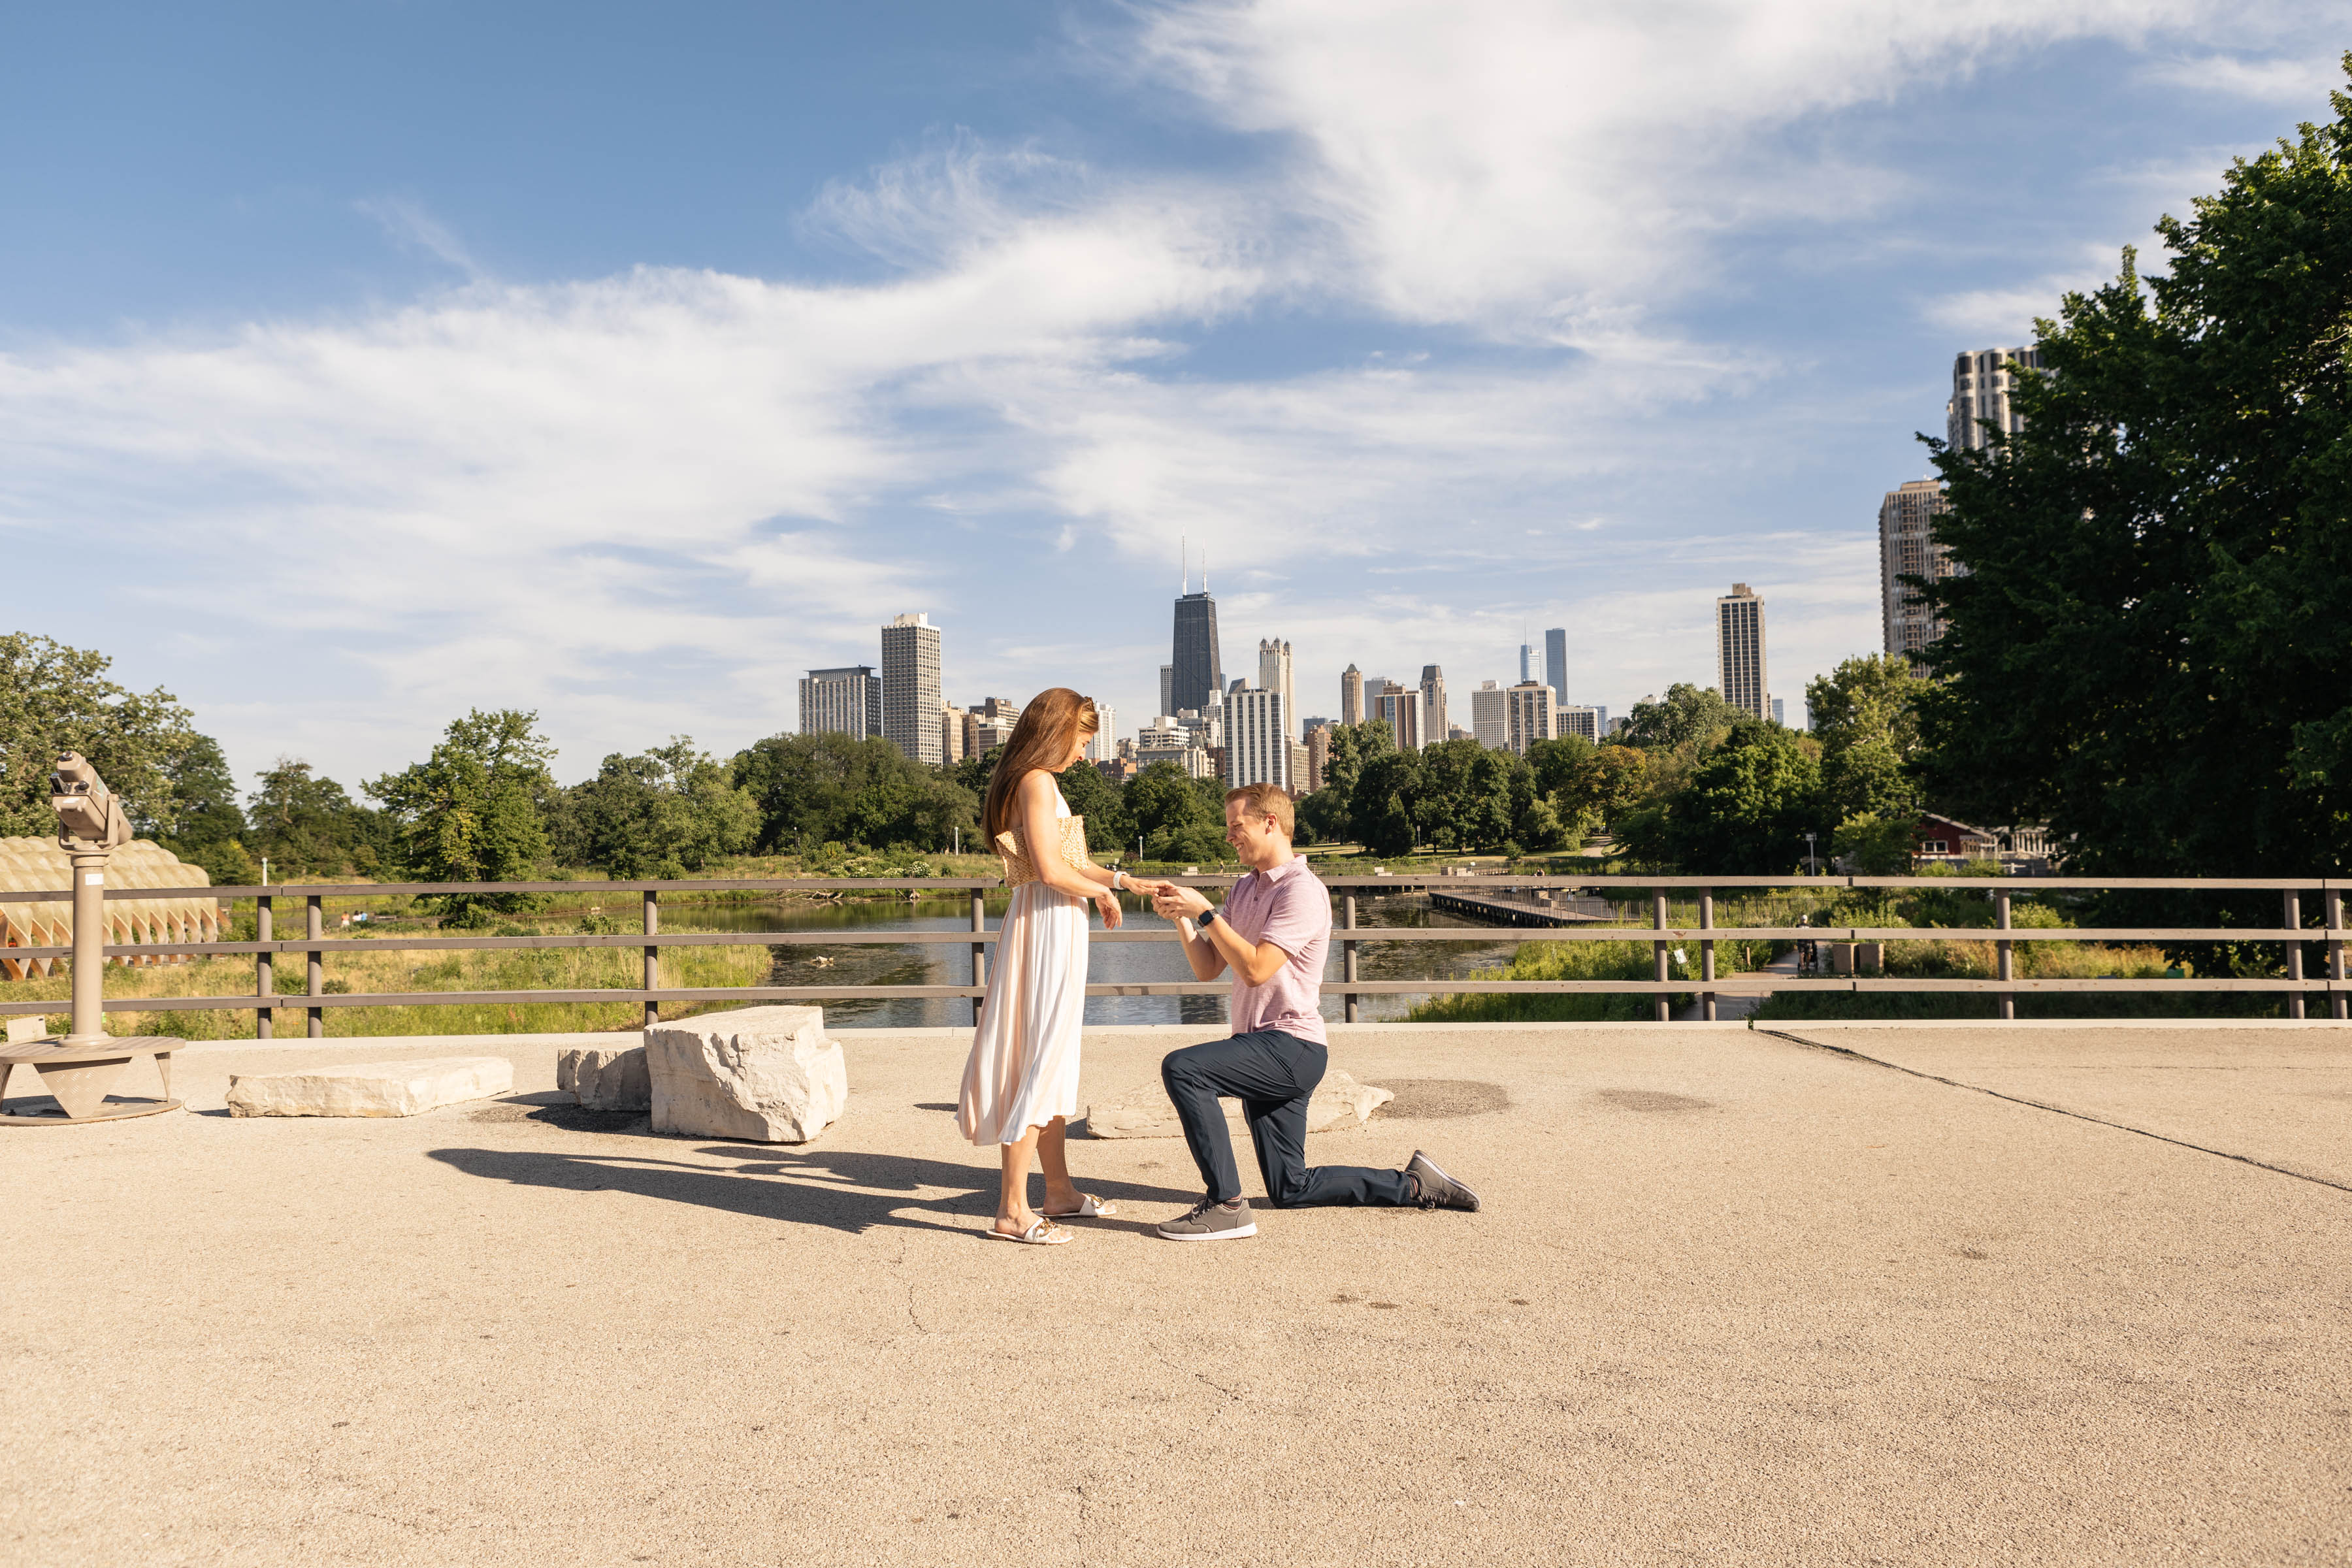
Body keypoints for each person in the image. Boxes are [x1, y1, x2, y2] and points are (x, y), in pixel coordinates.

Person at [1147, 783, 1480, 1241]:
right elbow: (1208, 968)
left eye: (1236, 826)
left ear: (1271, 823)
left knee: (1184, 1069)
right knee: (1290, 1187)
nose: (1229, 837)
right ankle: (1416, 1184)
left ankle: (1226, 1205)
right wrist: (1182, 918)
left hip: (1291, 1046)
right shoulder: (1245, 890)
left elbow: (1258, 969)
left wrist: (1204, 910)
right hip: (1259, 1047)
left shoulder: (1302, 892)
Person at [957, 689, 1166, 1245]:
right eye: (1081, 741)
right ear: (1056, 732)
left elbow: (1072, 863)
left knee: (1051, 1057)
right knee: (1041, 1058)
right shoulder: (1036, 782)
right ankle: (1011, 1210)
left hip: (1050, 924)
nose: (1083, 754)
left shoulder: (1036, 783)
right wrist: (1100, 894)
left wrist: (1119, 881)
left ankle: (1059, 1192)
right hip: (1047, 924)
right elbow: (1051, 870)